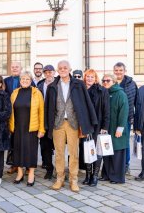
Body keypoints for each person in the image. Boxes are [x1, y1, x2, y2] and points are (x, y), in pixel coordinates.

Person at [45, 60, 98, 192]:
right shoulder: (52, 86)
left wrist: (90, 121)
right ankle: (60, 179)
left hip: (73, 123)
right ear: (57, 70)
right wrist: (47, 125)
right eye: (60, 68)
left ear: (69, 69)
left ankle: (74, 180)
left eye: (65, 68)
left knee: (74, 153)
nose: (62, 70)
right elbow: (48, 107)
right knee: (59, 153)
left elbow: (86, 103)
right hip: (58, 123)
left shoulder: (78, 84)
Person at [9, 72, 45, 186]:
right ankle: (19, 173)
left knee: (31, 151)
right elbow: (11, 111)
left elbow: (41, 112)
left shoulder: (36, 93)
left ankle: (31, 174)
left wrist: (41, 129)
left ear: (31, 81)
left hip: (32, 127)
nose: (24, 80)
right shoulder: (15, 93)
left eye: (27, 79)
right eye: (23, 79)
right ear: (20, 81)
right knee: (18, 150)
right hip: (18, 127)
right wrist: (10, 126)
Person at [81, 69, 110, 186]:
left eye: (92, 77)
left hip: (98, 125)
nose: (89, 79)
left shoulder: (101, 91)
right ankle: (88, 175)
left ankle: (95, 176)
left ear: (96, 78)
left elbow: (106, 110)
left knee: (98, 150)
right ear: (85, 78)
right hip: (85, 125)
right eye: (87, 77)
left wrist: (105, 126)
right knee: (87, 149)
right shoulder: (81, 90)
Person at [100, 74, 129, 184]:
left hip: (117, 129)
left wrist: (120, 128)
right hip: (107, 128)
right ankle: (106, 174)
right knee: (106, 152)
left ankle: (117, 177)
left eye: (108, 80)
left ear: (114, 81)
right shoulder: (104, 92)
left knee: (117, 154)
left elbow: (124, 111)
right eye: (104, 80)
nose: (105, 82)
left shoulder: (120, 94)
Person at [113, 62, 137, 175]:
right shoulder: (110, 82)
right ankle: (114, 164)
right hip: (112, 119)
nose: (118, 72)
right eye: (116, 70)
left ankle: (126, 165)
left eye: (120, 70)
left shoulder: (131, 84)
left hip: (126, 119)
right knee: (112, 142)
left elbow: (137, 102)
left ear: (124, 71)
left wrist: (135, 120)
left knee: (125, 142)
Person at [36, 65, 55, 179]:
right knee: (45, 146)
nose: (48, 74)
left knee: (58, 146)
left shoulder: (58, 84)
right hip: (42, 120)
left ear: (54, 72)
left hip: (55, 120)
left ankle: (60, 169)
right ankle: (49, 168)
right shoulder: (40, 85)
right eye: (46, 72)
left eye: (50, 72)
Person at [4, 61, 23, 175]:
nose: (15, 68)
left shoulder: (25, 79)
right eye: (13, 67)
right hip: (10, 114)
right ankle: (13, 164)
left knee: (22, 140)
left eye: (17, 67)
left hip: (23, 113)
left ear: (21, 68)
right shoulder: (6, 81)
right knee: (12, 141)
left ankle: (23, 164)